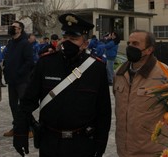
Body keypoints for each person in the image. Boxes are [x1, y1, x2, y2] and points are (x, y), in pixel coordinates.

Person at [13, 13, 111, 157]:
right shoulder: (46, 63)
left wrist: (101, 142)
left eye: (74, 39)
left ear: (85, 43)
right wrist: (20, 133)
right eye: (65, 37)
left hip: (82, 143)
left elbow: (103, 111)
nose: (67, 42)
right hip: (50, 142)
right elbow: (27, 102)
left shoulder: (96, 68)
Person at [113, 30, 168, 157]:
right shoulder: (119, 73)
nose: (130, 47)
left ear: (149, 50)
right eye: (129, 43)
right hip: (124, 150)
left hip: (152, 151)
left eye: (135, 43)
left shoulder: (164, 75)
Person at [2, 21, 34, 137]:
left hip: (22, 80)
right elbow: (8, 58)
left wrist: (19, 72)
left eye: (14, 27)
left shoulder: (25, 43)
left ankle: (31, 128)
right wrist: (6, 70)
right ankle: (17, 127)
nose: (11, 28)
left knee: (24, 104)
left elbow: (29, 61)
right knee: (13, 105)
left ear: (20, 29)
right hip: (11, 80)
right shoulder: (11, 43)